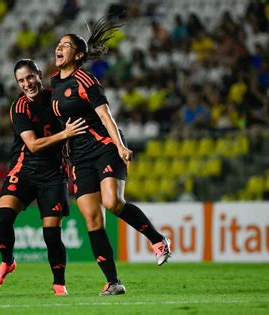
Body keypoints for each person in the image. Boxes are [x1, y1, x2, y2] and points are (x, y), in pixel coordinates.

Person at [50, 16, 172, 296]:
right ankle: (113, 281)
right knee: (92, 218)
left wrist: (119, 146)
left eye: (65, 45)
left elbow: (105, 115)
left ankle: (158, 240)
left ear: (78, 55)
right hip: (79, 159)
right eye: (58, 44)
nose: (59, 48)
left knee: (112, 202)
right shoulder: (55, 85)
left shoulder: (86, 80)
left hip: (105, 146)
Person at [0, 59, 87, 295]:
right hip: (24, 170)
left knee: (51, 234)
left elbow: (76, 124)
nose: (27, 83)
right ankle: (7, 261)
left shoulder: (57, 100)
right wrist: (64, 134)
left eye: (30, 77)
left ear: (39, 75)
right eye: (21, 80)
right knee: (3, 219)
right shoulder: (20, 107)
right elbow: (32, 145)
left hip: (53, 175)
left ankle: (59, 283)